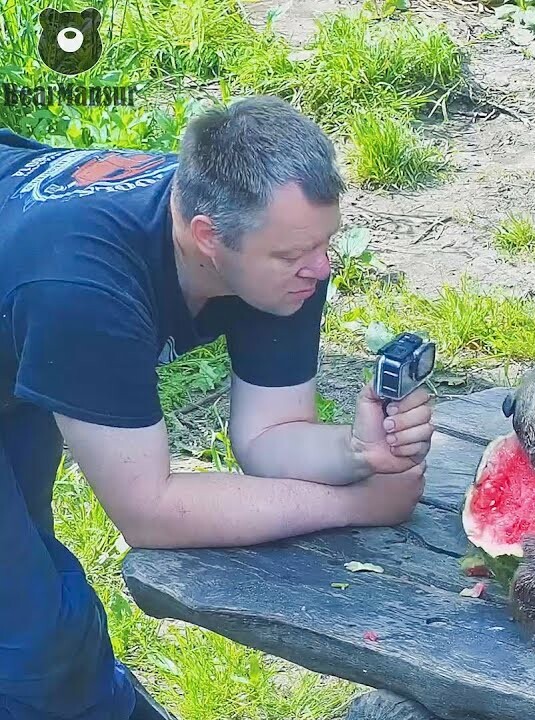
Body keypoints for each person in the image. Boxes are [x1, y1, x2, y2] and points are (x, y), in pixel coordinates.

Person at [0, 95, 436, 720]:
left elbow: (270, 435)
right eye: (292, 256)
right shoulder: (83, 291)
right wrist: (352, 503)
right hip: (41, 285)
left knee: (32, 595)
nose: (320, 269)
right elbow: (149, 512)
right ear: (207, 238)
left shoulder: (274, 244)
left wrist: (355, 450)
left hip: (16, 303)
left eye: (326, 243)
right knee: (32, 642)